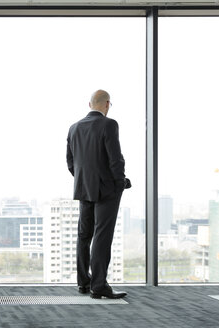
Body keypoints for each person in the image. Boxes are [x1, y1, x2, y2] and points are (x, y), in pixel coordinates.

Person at [66, 90, 131, 299]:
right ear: (107, 104)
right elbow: (115, 159)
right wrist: (120, 182)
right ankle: (99, 285)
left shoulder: (74, 128)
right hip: (106, 191)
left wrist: (84, 179)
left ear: (89, 104)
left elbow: (70, 162)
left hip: (84, 188)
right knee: (102, 236)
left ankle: (83, 283)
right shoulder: (109, 124)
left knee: (84, 236)